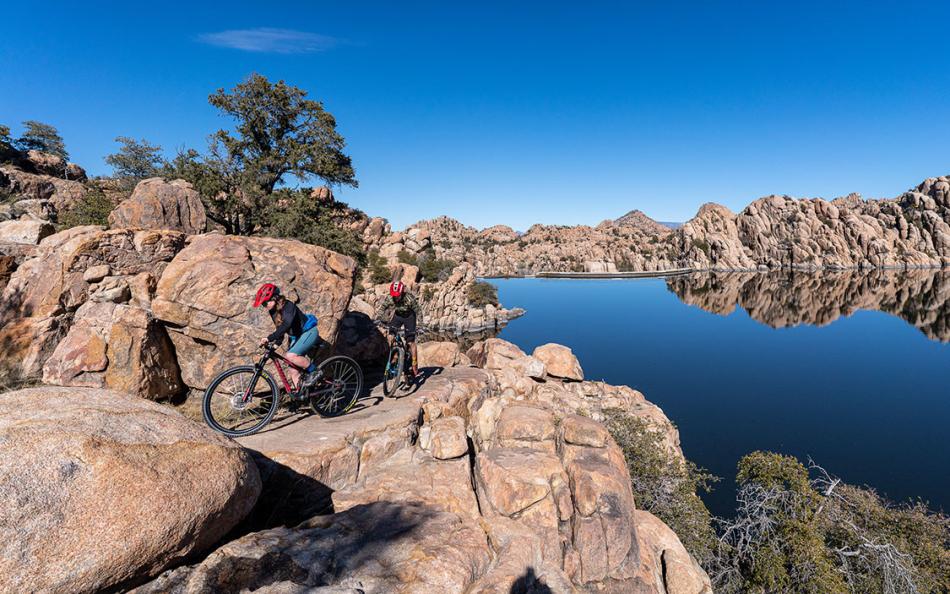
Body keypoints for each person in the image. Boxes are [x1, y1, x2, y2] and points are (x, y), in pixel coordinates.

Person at [254, 283, 318, 391]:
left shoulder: (288, 306)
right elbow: (280, 330)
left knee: (290, 356)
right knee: (293, 370)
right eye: (263, 304)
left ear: (274, 298)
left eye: (265, 303)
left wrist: (269, 338)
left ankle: (315, 372)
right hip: (296, 337)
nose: (264, 306)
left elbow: (286, 324)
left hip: (309, 332)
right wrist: (274, 345)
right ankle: (300, 395)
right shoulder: (273, 312)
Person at [377, 280, 420, 378]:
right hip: (398, 316)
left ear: (402, 293)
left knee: (410, 342)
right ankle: (394, 356)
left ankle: (414, 363)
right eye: (394, 295)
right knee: (390, 336)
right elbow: (382, 308)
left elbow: (419, 311)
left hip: (410, 317)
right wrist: (379, 318)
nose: (396, 297)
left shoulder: (409, 299)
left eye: (398, 295)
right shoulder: (390, 298)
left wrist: (420, 325)